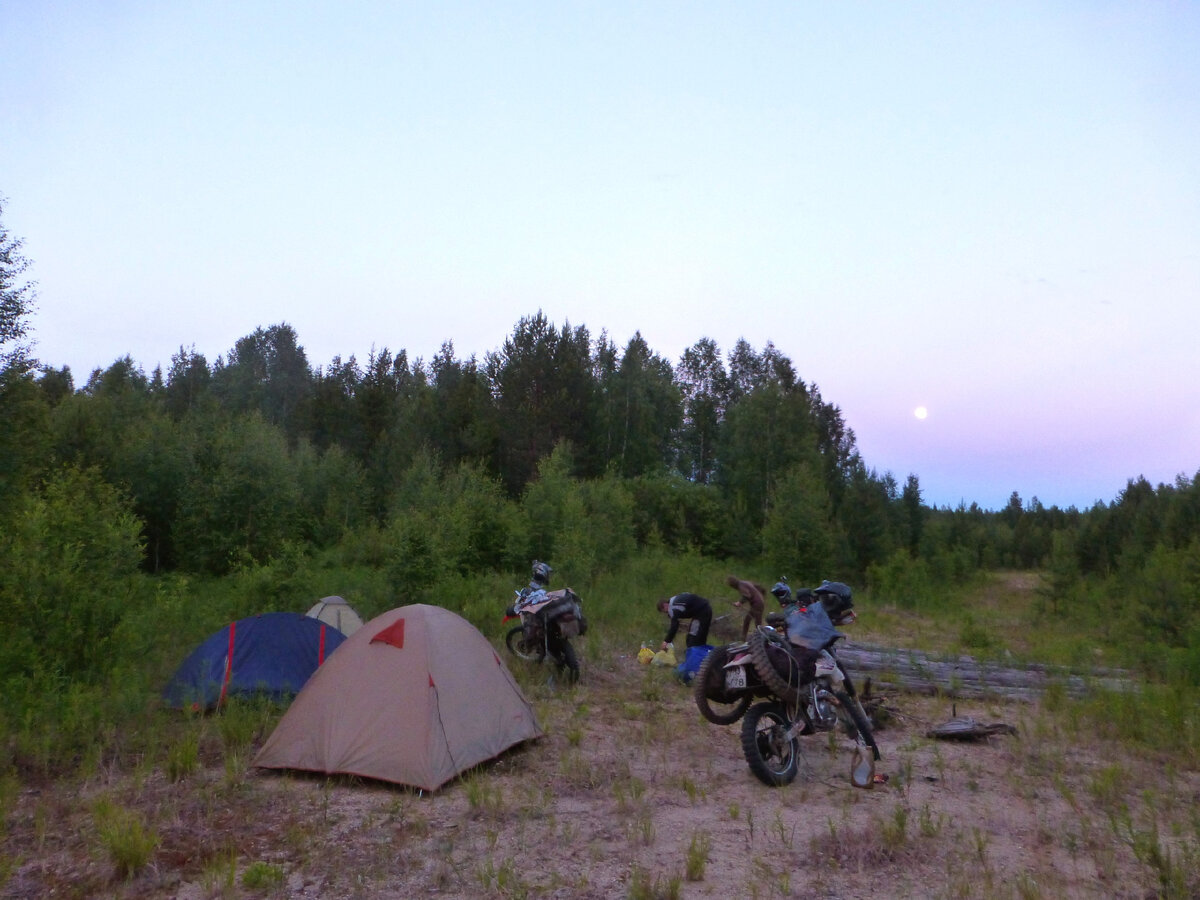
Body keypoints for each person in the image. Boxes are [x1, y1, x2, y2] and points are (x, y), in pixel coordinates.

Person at [726, 575, 766, 639]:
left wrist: (739, 603)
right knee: (749, 620)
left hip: (757, 604)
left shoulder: (741, 585)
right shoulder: (745, 582)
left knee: (757, 622)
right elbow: (759, 587)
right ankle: (744, 637)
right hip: (758, 603)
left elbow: (747, 595)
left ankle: (759, 637)